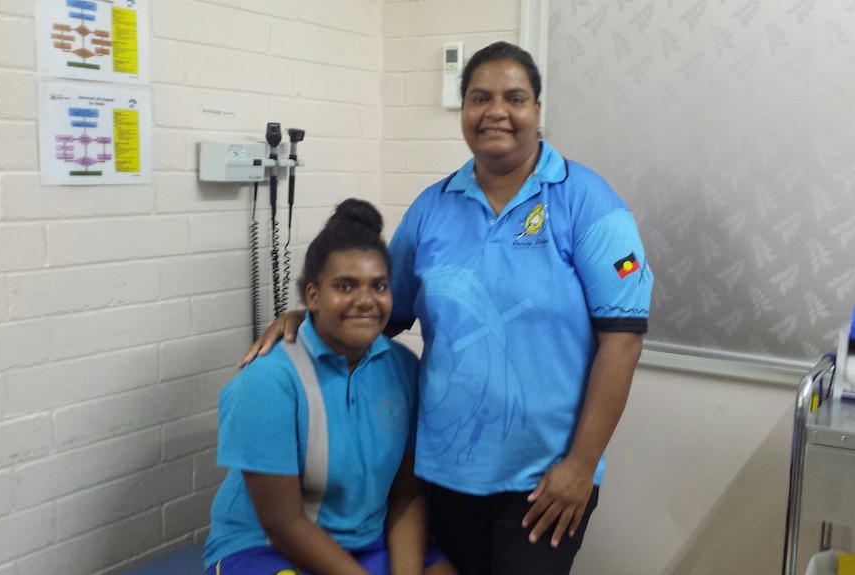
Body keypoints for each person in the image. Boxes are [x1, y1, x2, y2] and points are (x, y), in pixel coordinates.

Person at [241, 42, 653, 575]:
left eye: (514, 97)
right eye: (479, 98)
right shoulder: (431, 209)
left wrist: (580, 465)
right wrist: (306, 317)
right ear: (463, 111)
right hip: (445, 468)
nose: (496, 111)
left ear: (537, 110)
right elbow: (375, 313)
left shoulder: (589, 204)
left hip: (545, 479)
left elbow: (623, 342)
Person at [205, 199, 456, 575]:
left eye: (379, 285)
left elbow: (407, 495)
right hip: (267, 547)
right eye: (345, 286)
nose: (365, 300)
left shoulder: (403, 369)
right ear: (312, 296)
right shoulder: (266, 381)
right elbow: (284, 523)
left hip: (367, 542)